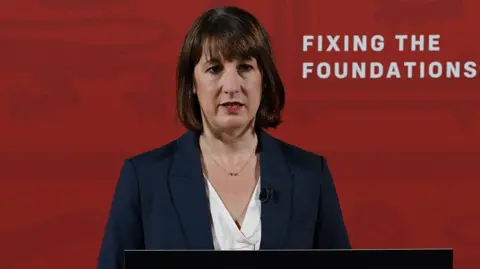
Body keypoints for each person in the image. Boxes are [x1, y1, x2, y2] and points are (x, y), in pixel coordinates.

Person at [97, 6, 350, 269]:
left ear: (263, 79)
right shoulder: (145, 178)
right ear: (192, 84)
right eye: (214, 69)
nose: (231, 86)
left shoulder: (310, 175)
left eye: (245, 68)